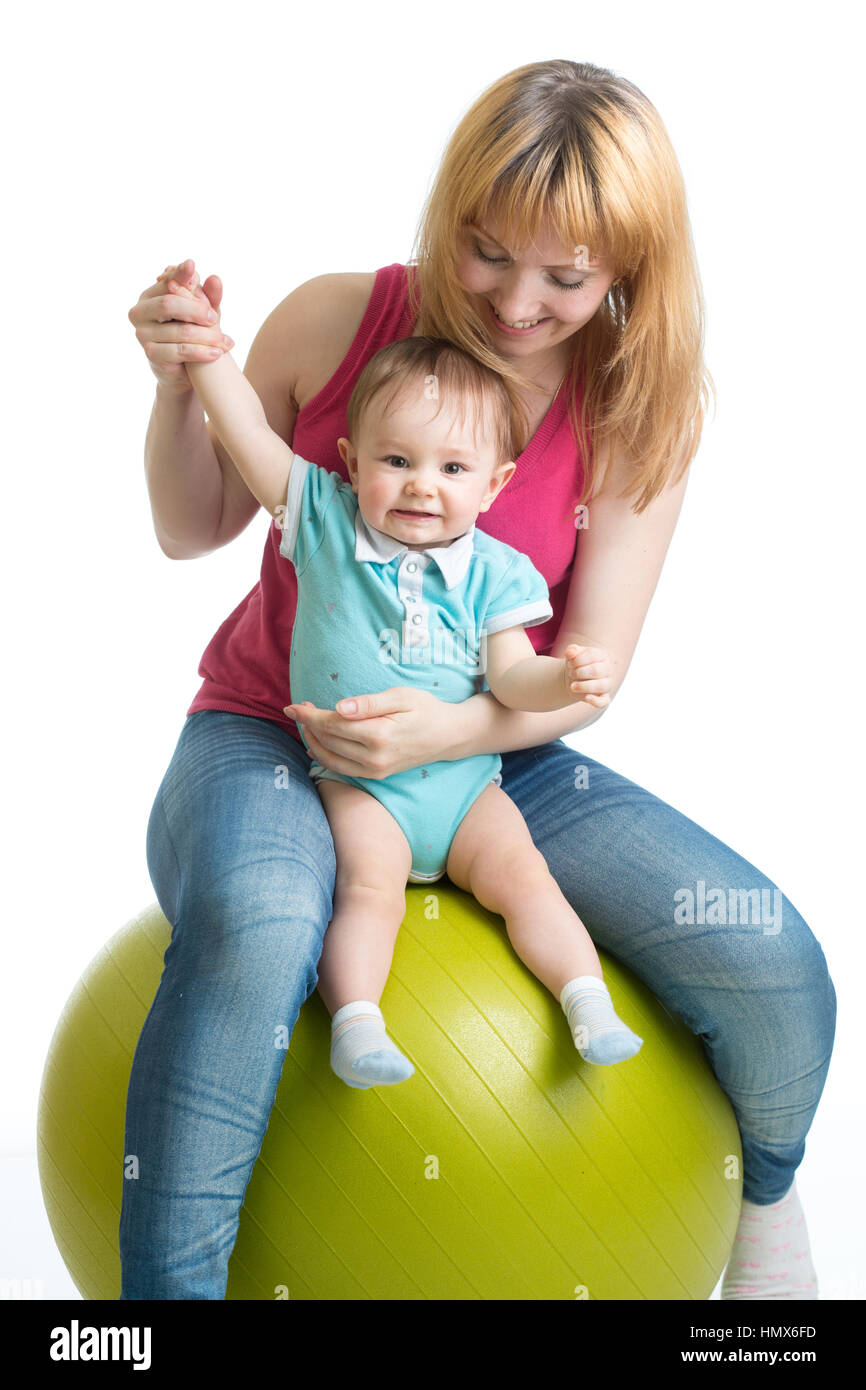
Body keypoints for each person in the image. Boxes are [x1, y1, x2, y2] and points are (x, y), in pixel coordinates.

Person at [124, 59, 835, 1301]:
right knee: (259, 923)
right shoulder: (338, 316)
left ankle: (766, 1213)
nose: (515, 302)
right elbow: (193, 526)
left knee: (765, 947)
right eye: (488, 254)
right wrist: (184, 379)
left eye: (565, 277)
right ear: (450, 215)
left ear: (628, 269)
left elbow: (583, 672)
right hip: (265, 732)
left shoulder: (634, 404)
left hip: (491, 752)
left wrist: (444, 729)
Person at [179, 320, 644, 1087]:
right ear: (351, 465)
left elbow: (512, 679)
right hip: (362, 785)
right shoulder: (323, 521)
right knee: (368, 890)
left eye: (452, 467)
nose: (423, 484)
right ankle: (359, 1025)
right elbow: (251, 437)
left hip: (465, 789)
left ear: (494, 484)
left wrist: (564, 679)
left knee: (527, 880)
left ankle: (587, 1003)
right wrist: (207, 356)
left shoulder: (498, 572)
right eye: (397, 461)